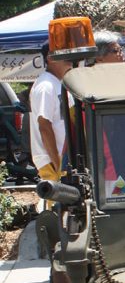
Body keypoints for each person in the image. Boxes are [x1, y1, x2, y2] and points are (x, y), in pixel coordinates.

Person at [29, 43, 74, 182]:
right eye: (64, 51)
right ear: (50, 57)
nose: (69, 55)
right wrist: (58, 163)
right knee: (55, 203)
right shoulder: (45, 86)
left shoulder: (57, 83)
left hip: (62, 159)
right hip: (53, 162)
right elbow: (44, 125)